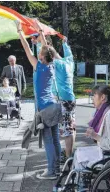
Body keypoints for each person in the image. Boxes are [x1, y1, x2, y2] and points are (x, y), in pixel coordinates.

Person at [16, 20, 61, 180]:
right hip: (54, 105)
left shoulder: (39, 66)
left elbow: (27, 49)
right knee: (55, 139)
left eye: (40, 52)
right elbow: (48, 50)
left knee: (48, 140)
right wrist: (40, 31)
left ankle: (50, 171)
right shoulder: (52, 65)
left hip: (44, 108)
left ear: (41, 56)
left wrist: (20, 31)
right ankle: (57, 168)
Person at [34, 20, 76, 162]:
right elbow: (65, 51)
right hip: (71, 98)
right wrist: (64, 42)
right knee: (70, 128)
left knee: (66, 130)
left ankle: (69, 157)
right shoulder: (68, 62)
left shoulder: (58, 64)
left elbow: (47, 51)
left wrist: (40, 32)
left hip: (63, 100)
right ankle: (69, 154)